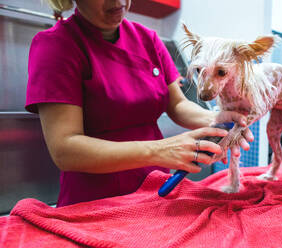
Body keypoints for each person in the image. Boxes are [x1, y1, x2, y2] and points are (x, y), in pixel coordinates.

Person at [25, 0, 253, 207]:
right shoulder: (56, 46)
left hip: (158, 192)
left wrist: (218, 120)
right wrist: (161, 150)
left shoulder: (148, 40)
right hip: (94, 202)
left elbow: (177, 106)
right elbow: (65, 150)